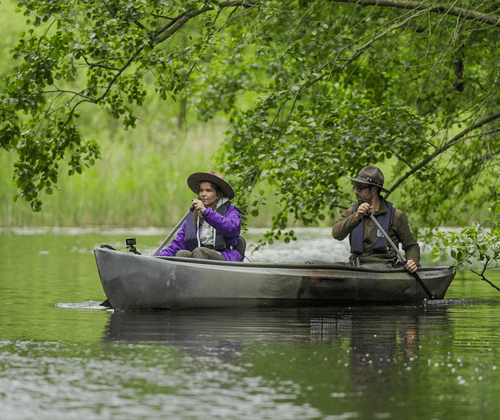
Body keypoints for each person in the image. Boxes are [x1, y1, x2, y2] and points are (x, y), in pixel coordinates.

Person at [332, 165, 419, 272]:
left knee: (363, 271)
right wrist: (356, 217)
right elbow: (336, 234)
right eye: (356, 187)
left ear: (374, 190)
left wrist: (412, 261)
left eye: (360, 188)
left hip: (383, 268)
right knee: (316, 265)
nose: (356, 191)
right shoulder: (352, 212)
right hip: (355, 266)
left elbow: (412, 246)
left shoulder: (396, 216)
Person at [157, 171, 243, 261]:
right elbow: (176, 245)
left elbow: (230, 228)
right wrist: (157, 258)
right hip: (200, 256)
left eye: (208, 190)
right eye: (201, 190)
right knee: (181, 253)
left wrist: (206, 212)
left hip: (225, 257)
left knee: (199, 252)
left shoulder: (232, 211)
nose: (203, 194)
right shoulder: (194, 216)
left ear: (218, 195)